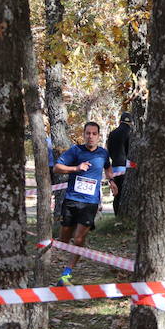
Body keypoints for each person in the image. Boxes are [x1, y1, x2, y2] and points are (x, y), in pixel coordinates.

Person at [53, 122, 118, 286]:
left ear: (98, 136)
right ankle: (53, 259)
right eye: (88, 133)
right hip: (72, 200)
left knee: (79, 239)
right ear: (84, 135)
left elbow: (108, 168)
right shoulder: (76, 151)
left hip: (90, 202)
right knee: (64, 240)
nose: (90, 136)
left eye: (94, 133)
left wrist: (111, 180)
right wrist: (76, 168)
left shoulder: (103, 153)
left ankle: (66, 275)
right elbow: (57, 168)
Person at [106, 112, 131, 216]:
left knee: (117, 193)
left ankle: (117, 214)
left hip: (116, 167)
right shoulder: (131, 132)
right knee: (128, 193)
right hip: (128, 166)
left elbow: (109, 150)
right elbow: (130, 150)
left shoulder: (112, 133)